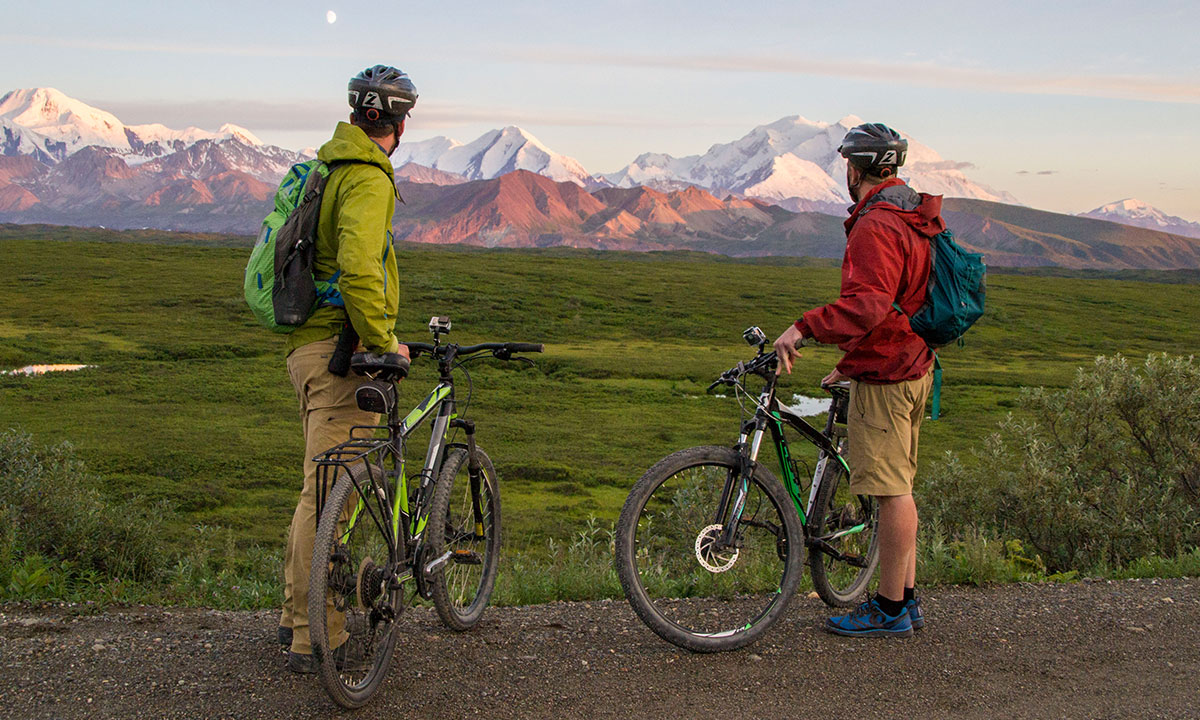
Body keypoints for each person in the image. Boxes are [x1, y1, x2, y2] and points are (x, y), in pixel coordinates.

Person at [773, 122, 943, 637]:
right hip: (913, 362)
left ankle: (890, 610)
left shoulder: (876, 224)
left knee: (891, 492)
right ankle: (905, 600)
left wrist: (803, 327)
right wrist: (849, 363)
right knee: (901, 486)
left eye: (846, 162)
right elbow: (897, 304)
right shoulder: (911, 212)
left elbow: (868, 306)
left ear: (856, 167)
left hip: (889, 375)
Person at [277, 64, 416, 673]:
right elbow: (360, 266)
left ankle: (294, 619)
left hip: (308, 348)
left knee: (318, 487)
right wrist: (384, 341)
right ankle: (318, 636)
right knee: (331, 490)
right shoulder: (366, 177)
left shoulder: (331, 166)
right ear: (400, 120)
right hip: (340, 352)